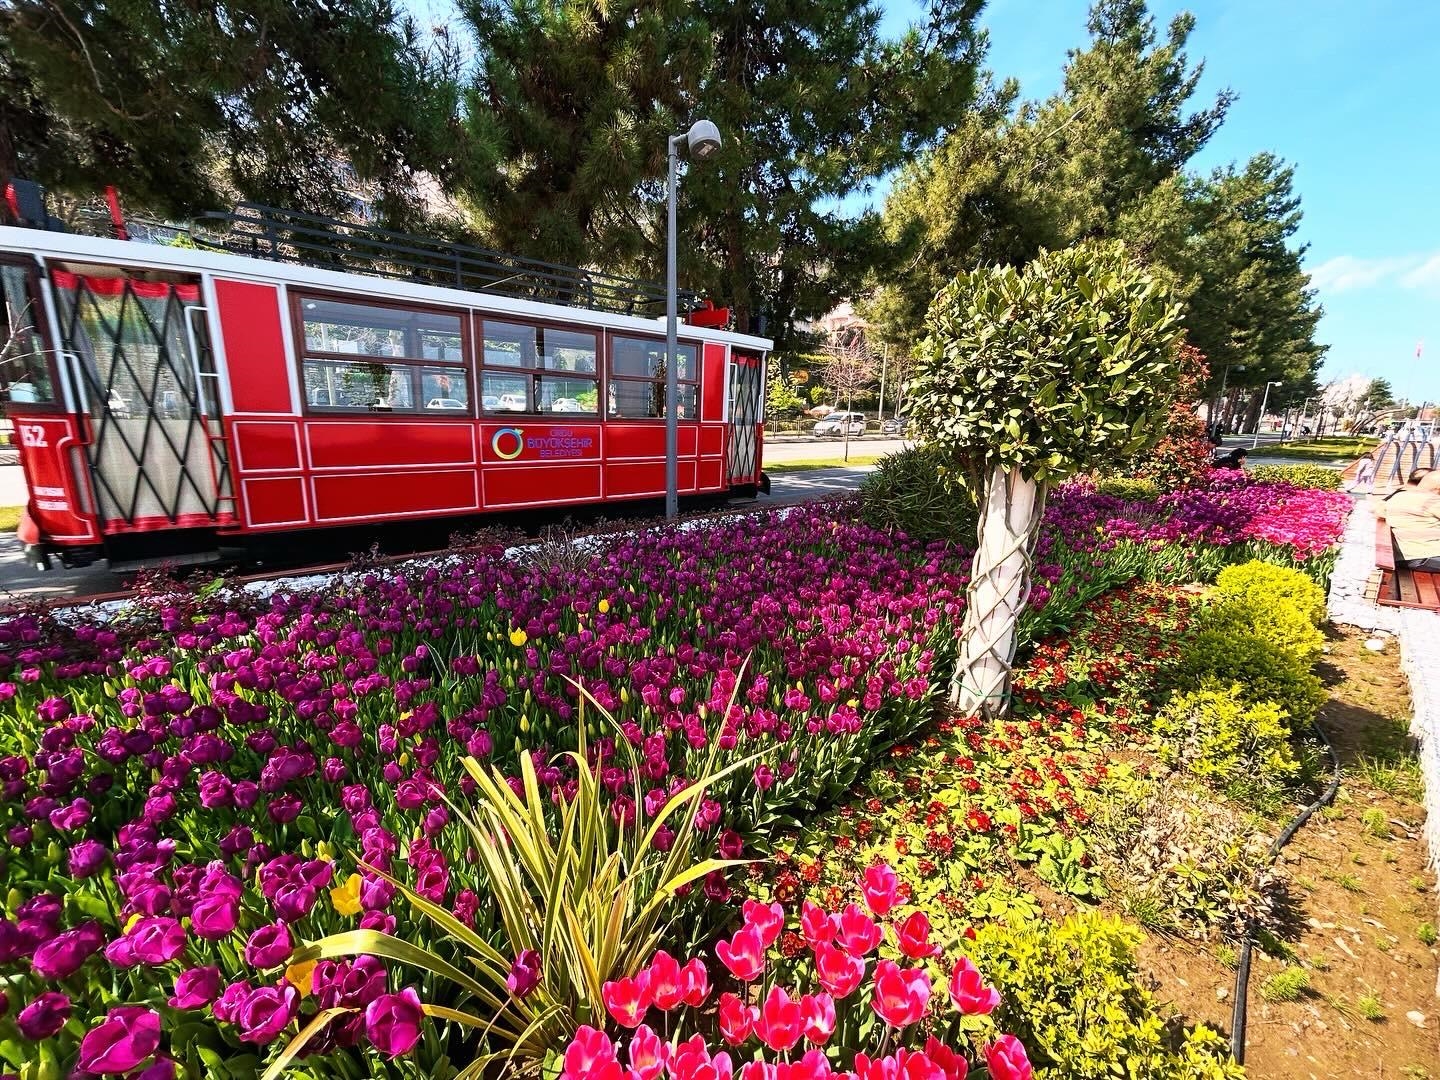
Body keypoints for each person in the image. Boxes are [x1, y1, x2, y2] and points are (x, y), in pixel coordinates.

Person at [1382, 468, 1440, 571]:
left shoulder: (1398, 496)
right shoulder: (1433, 500)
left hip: (1405, 555)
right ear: (1438, 488)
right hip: (1427, 555)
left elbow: (1379, 509)